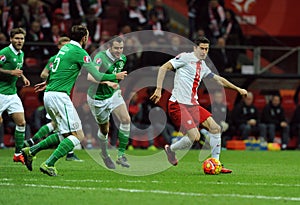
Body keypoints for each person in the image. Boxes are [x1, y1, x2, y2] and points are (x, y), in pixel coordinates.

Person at [21, 25, 127, 176]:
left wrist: (48, 82)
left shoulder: (64, 50)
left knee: (65, 133)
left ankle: (31, 151)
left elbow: (55, 69)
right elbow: (96, 75)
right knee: (78, 136)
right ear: (84, 38)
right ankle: (48, 164)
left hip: (50, 93)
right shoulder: (79, 52)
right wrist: (114, 77)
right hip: (59, 96)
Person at [150, 36, 248, 173]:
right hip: (178, 104)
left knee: (215, 128)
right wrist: (159, 89)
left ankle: (216, 163)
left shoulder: (202, 66)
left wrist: (237, 89)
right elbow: (164, 67)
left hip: (193, 105)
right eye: (201, 48)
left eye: (206, 49)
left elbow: (219, 80)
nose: (204, 51)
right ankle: (170, 149)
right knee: (195, 137)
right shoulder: (184, 57)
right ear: (195, 48)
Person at [24, 36, 82, 161]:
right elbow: (43, 74)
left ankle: (32, 147)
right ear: (59, 46)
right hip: (57, 93)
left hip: (62, 92)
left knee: (61, 128)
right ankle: (58, 157)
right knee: (69, 130)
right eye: (64, 45)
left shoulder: (71, 59)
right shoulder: (55, 59)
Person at [87, 36, 131, 169]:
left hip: (113, 94)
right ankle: (105, 154)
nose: (119, 51)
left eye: (121, 48)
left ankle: (121, 155)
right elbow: (90, 76)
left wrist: (114, 84)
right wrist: (111, 79)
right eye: (116, 48)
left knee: (126, 119)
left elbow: (117, 77)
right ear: (109, 47)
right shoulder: (100, 57)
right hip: (98, 98)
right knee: (105, 130)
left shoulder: (123, 59)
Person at [0, 27, 30, 164]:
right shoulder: (5, 52)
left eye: (22, 38)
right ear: (11, 39)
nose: (19, 41)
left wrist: (22, 76)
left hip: (12, 94)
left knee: (21, 122)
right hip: (0, 93)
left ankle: (18, 154)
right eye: (17, 38)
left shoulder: (21, 54)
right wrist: (10, 72)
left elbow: (17, 68)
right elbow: (9, 70)